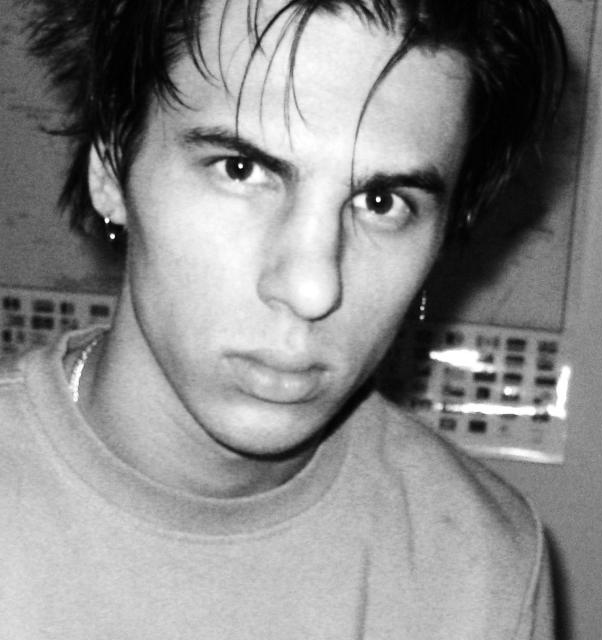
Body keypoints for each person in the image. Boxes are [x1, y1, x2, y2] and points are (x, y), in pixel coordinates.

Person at [1, 0, 565, 637]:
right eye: (241, 169)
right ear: (110, 168)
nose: (311, 288)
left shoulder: (482, 565)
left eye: (382, 202)